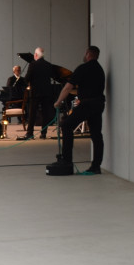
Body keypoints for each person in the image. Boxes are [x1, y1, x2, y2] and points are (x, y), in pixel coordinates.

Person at [53, 45, 106, 175]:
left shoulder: (83, 68)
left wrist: (58, 102)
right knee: (96, 134)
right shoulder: (100, 70)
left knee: (66, 125)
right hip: (98, 104)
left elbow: (67, 88)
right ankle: (96, 166)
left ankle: (67, 160)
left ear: (88, 54)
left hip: (87, 105)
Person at [21, 46, 55, 140]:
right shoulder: (48, 65)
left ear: (35, 55)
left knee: (32, 113)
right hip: (46, 92)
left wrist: (27, 82)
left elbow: (27, 78)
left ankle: (30, 133)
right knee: (45, 113)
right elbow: (52, 76)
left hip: (35, 93)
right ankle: (43, 133)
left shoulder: (33, 65)